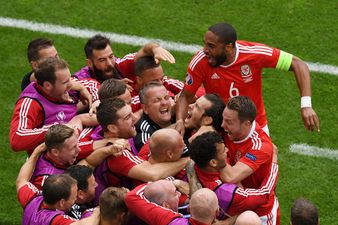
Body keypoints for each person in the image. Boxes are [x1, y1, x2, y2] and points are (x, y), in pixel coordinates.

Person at [176, 22, 319, 136]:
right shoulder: (201, 61)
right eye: (205, 44)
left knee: (261, 169)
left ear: (228, 48)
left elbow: (298, 64)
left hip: (255, 126)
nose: (205, 50)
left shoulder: (254, 54)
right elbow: (186, 96)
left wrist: (306, 105)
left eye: (211, 46)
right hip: (222, 128)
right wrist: (180, 121)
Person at [93, 98, 189, 200]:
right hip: (119, 209)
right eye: (128, 117)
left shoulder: (118, 135)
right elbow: (152, 174)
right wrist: (188, 160)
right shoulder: (116, 152)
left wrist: (186, 124)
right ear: (112, 128)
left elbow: (157, 139)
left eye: (132, 113)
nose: (135, 118)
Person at [10, 57, 97, 154]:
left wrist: (95, 101)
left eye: (69, 79)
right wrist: (59, 129)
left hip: (73, 144)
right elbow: (17, 139)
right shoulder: (30, 103)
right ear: (47, 85)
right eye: (65, 82)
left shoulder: (63, 85)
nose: (71, 84)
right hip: (53, 160)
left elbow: (92, 84)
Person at [189, 131, 279, 225]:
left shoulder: (198, 165)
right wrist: (274, 162)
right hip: (259, 214)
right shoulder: (226, 193)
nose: (227, 150)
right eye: (224, 150)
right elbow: (264, 194)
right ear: (213, 163)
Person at [219, 96, 279, 224]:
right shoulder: (227, 129)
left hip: (258, 213)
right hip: (233, 204)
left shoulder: (260, 146)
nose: (222, 125)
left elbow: (230, 176)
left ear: (247, 124)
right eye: (223, 119)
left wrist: (217, 151)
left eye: (228, 122)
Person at [16, 144, 99, 225]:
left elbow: (22, 180)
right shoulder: (56, 220)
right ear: (62, 202)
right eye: (73, 198)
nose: (75, 200)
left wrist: (36, 152)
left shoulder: (31, 198)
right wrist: (99, 210)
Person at [73, 34, 175, 84]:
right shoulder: (79, 79)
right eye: (102, 60)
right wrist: (113, 88)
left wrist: (155, 49)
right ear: (89, 63)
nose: (109, 63)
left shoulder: (120, 65)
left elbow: (144, 51)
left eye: (111, 57)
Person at [125, 179, 219, 225]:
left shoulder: (170, 221)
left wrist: (151, 183)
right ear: (217, 212)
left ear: (189, 208)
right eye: (175, 193)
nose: (179, 194)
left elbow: (131, 197)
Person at [133, 82, 173, 152]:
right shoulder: (145, 136)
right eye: (157, 100)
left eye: (166, 98)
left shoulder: (181, 115)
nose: (164, 103)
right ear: (145, 108)